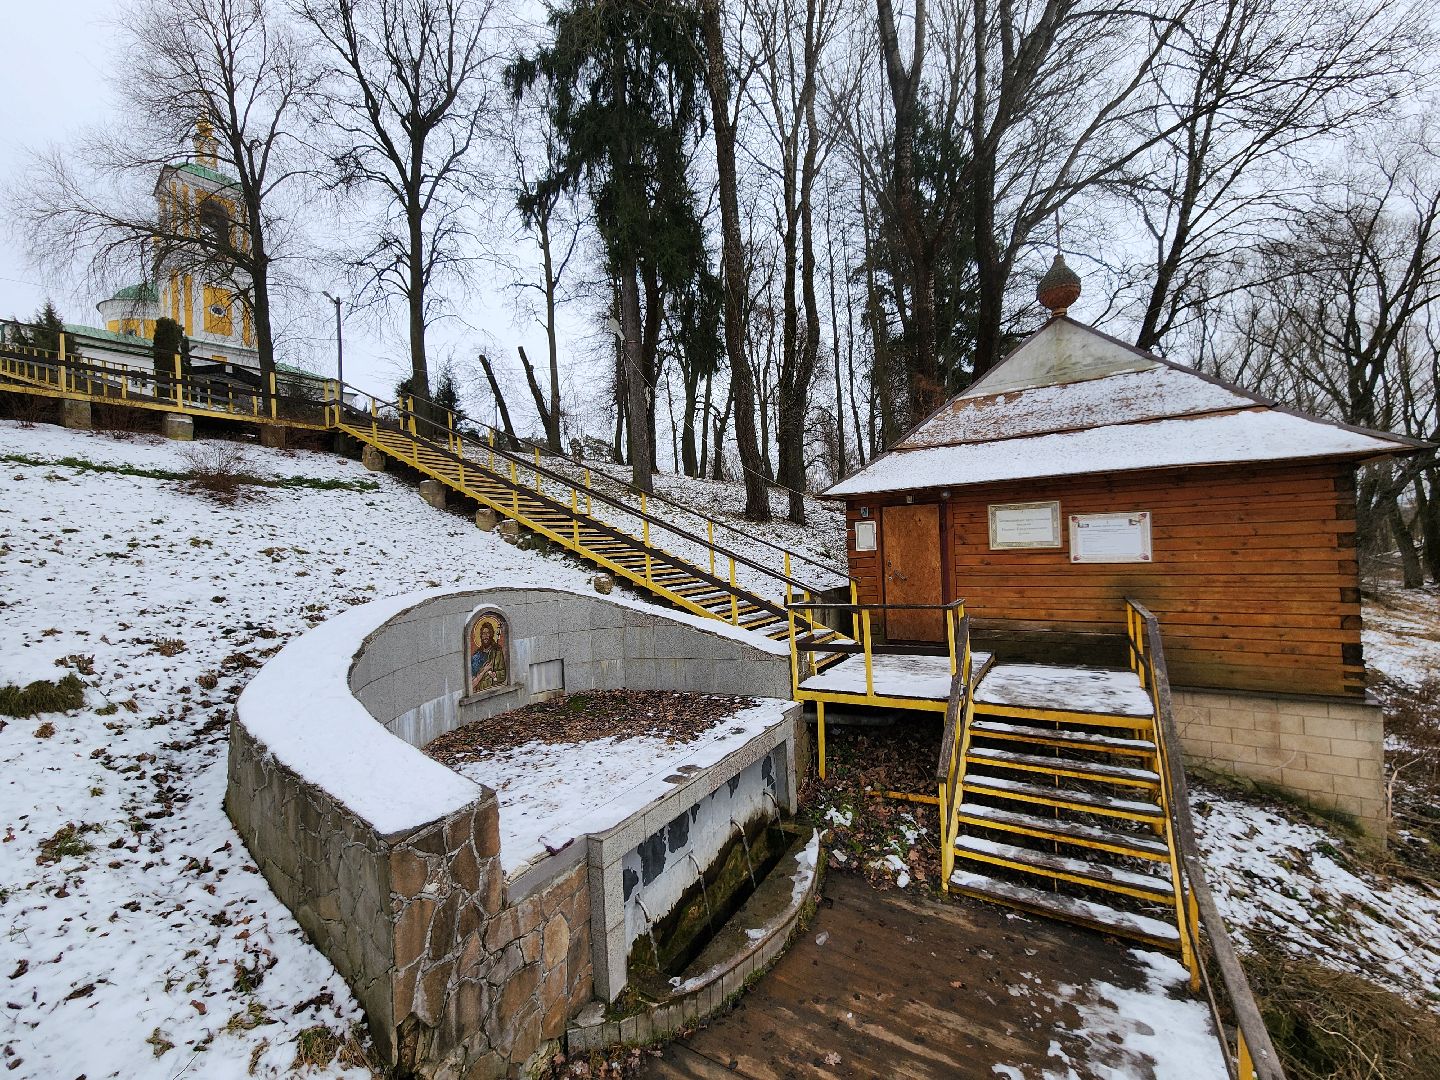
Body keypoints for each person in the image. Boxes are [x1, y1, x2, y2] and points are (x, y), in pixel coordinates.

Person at [469, 618, 507, 694]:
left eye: (488, 633)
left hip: (492, 689)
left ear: (491, 634)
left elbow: (503, 673)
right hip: (478, 690)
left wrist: (495, 675)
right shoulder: (476, 655)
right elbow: (472, 676)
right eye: (483, 633)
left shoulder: (497, 652)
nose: (485, 636)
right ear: (480, 636)